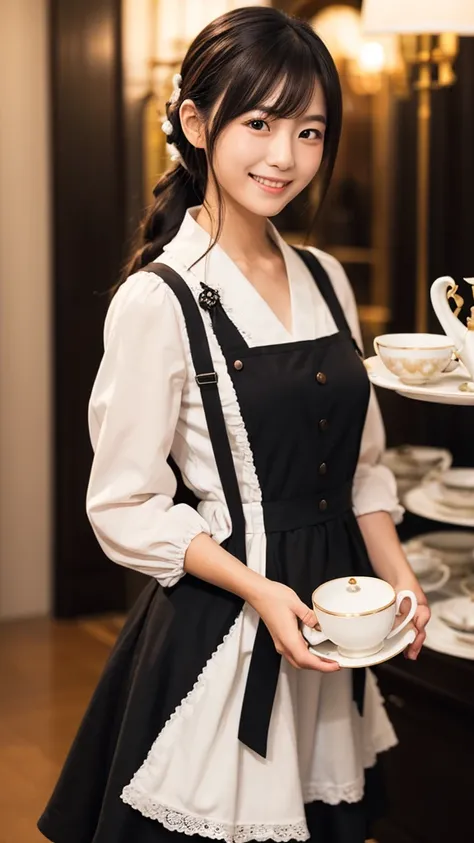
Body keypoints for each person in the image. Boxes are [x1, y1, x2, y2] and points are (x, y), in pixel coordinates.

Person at [38, 7, 430, 843]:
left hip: (334, 625)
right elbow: (125, 505)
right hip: (230, 635)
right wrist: (261, 590)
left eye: (311, 130)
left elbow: (362, 467)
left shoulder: (325, 276)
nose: (286, 156)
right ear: (194, 121)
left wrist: (397, 580)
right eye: (259, 122)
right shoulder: (159, 299)